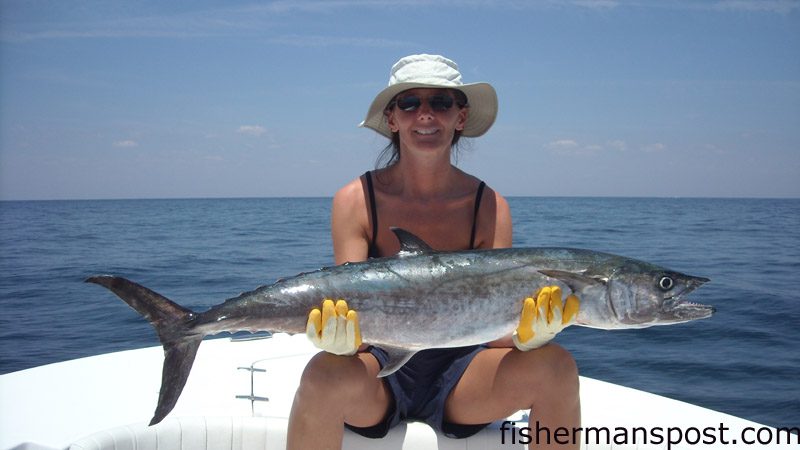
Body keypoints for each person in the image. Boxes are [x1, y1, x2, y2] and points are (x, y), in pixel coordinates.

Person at [287, 54, 581, 450]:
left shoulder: (489, 206)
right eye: (410, 103)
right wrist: (342, 338)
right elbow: (353, 326)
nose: (425, 114)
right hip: (379, 373)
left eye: (441, 102)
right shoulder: (356, 201)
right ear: (392, 119)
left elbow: (495, 340)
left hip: (464, 373)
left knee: (557, 368)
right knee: (322, 375)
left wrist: (527, 334)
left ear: (460, 116)